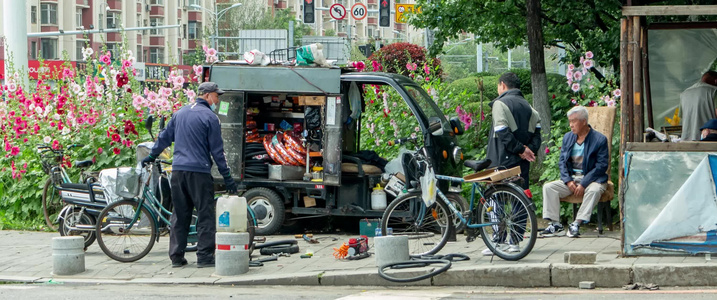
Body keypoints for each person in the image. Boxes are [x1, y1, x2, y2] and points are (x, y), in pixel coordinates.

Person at [142, 82, 238, 268]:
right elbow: (218, 152)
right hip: (199, 173)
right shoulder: (211, 117)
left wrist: (152, 156)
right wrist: (227, 178)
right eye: (217, 96)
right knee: (205, 214)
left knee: (180, 214)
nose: (217, 100)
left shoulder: (179, 114)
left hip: (178, 172)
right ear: (208, 95)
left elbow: (164, 137)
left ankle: (177, 257)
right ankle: (204, 257)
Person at [482, 72, 541, 255]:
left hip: (500, 159)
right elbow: (537, 137)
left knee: (494, 197)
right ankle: (515, 242)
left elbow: (502, 132)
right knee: (520, 198)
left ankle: (497, 242)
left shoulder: (500, 103)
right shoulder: (531, 109)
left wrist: (519, 149)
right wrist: (527, 150)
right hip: (521, 162)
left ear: (502, 85)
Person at [541, 106, 609, 238]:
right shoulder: (568, 138)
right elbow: (562, 162)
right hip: (573, 178)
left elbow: (601, 166)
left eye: (574, 121)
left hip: (593, 179)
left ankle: (576, 224)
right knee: (549, 188)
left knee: (594, 190)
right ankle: (556, 225)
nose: (571, 125)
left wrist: (583, 183)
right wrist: (568, 180)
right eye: (569, 121)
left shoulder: (600, 139)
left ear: (584, 121)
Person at [680, 71, 717, 141]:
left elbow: (683, 117)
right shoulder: (714, 91)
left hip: (686, 140)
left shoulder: (684, 93)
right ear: (716, 81)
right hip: (708, 140)